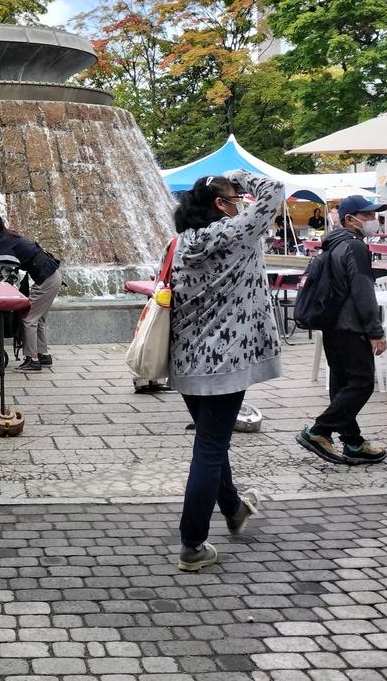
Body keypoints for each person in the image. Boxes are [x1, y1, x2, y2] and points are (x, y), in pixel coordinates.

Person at [168, 171, 280, 572]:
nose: (242, 202)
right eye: (236, 197)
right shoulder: (235, 234)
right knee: (210, 448)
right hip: (224, 362)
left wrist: (223, 186)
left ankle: (233, 508)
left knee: (211, 442)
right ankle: (192, 544)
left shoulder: (180, 243)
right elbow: (273, 190)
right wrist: (235, 176)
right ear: (220, 204)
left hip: (185, 361)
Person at [297, 195, 387, 467]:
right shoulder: (354, 246)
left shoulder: (331, 244)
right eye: (367, 215)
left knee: (342, 384)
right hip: (351, 326)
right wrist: (375, 330)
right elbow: (363, 290)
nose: (373, 220)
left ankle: (353, 442)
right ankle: (319, 431)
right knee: (362, 383)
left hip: (331, 324)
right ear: (350, 219)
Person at [0, 213, 63, 373]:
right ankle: (43, 355)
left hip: (47, 279)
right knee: (38, 319)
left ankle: (32, 360)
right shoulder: (8, 237)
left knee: (28, 317)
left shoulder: (2, 242)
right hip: (52, 276)